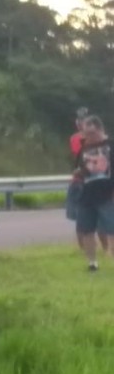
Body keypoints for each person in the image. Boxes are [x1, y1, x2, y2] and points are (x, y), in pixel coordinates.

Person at [72, 115, 114, 271]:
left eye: (91, 134)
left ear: (100, 129)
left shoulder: (111, 145)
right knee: (86, 229)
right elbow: (79, 168)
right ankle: (92, 263)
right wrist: (78, 173)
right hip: (87, 195)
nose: (88, 137)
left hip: (108, 194)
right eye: (85, 134)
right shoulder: (84, 149)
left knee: (111, 228)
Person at [66, 107, 89, 226]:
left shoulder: (75, 138)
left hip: (81, 179)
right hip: (93, 179)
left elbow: (77, 156)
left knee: (78, 215)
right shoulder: (101, 138)